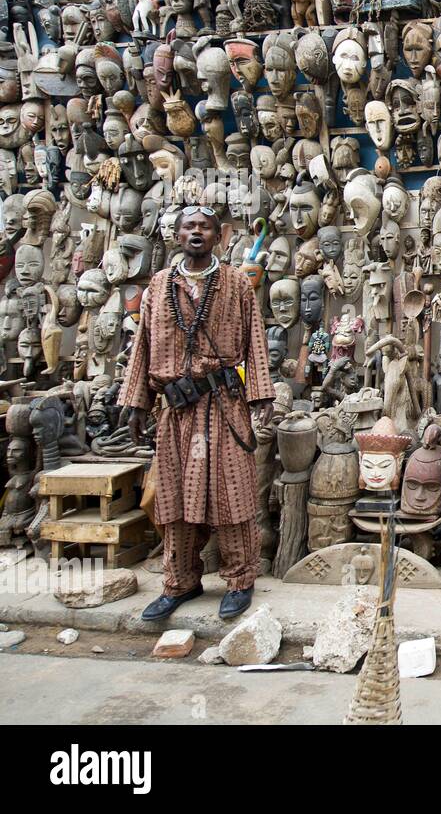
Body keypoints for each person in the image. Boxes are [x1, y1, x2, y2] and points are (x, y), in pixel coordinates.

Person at [119, 205, 276, 621]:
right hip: (175, 411)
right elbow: (143, 349)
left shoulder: (237, 286)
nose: (196, 233)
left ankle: (241, 580)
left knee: (233, 495)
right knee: (173, 498)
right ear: (176, 234)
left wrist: (261, 396)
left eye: (205, 227)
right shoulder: (157, 287)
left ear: (218, 236)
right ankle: (180, 581)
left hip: (223, 405)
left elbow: (255, 342)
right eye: (189, 226)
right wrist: (137, 402)